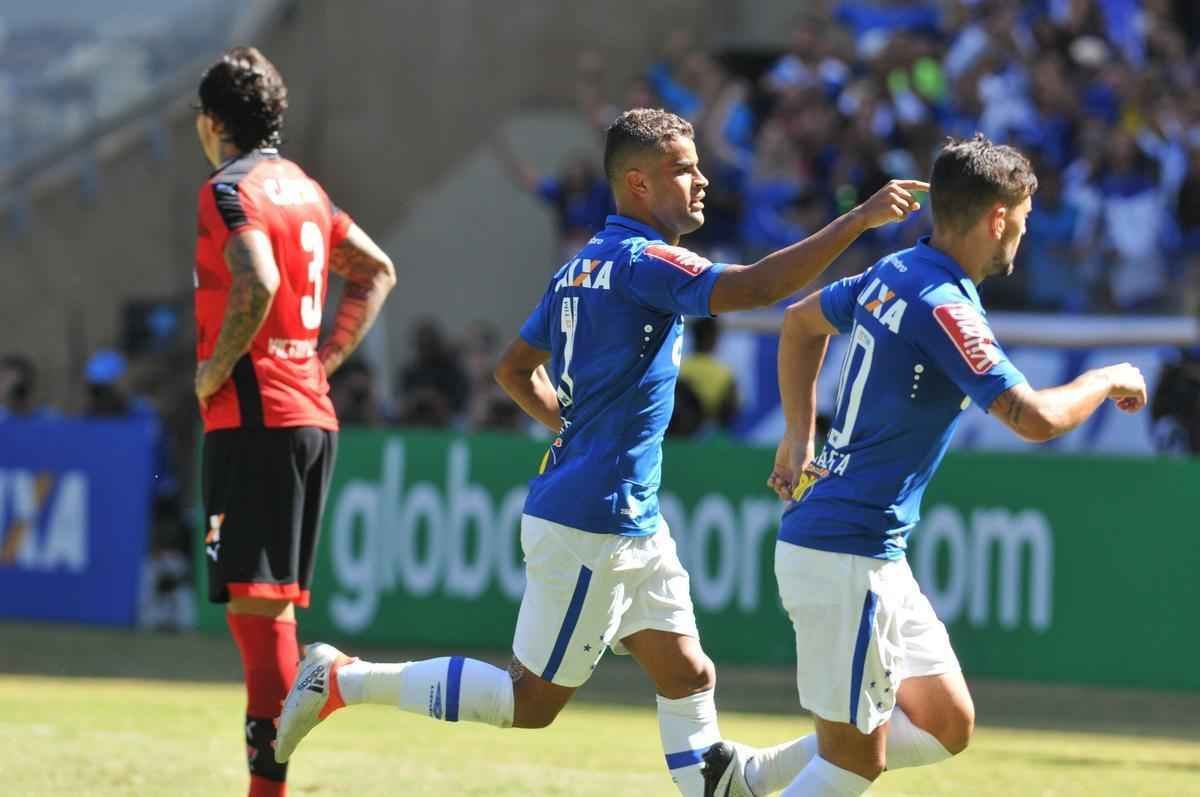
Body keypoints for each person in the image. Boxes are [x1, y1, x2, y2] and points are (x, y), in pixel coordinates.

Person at [274, 107, 925, 796]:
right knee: (530, 702)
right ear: (639, 184)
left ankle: (713, 786)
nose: (702, 180)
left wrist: (569, 425)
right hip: (595, 524)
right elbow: (758, 287)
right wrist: (855, 222)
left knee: (689, 674)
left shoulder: (582, 263)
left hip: (630, 520)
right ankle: (340, 679)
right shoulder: (647, 261)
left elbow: (512, 368)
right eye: (684, 168)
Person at [706, 134, 1146, 797]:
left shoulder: (893, 272)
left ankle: (743, 778)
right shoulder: (945, 306)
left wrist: (797, 439)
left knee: (946, 722)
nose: (1020, 239)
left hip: (867, 550)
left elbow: (799, 323)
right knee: (853, 763)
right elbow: (1034, 418)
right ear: (998, 217)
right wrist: (1109, 374)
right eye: (1021, 223)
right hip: (846, 552)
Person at [191, 47, 395, 797]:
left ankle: (298, 728)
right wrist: (324, 358)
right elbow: (376, 270)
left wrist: (212, 370)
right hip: (308, 414)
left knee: (254, 613)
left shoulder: (228, 188)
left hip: (254, 417)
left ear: (213, 123)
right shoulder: (307, 191)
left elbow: (258, 280)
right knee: (266, 610)